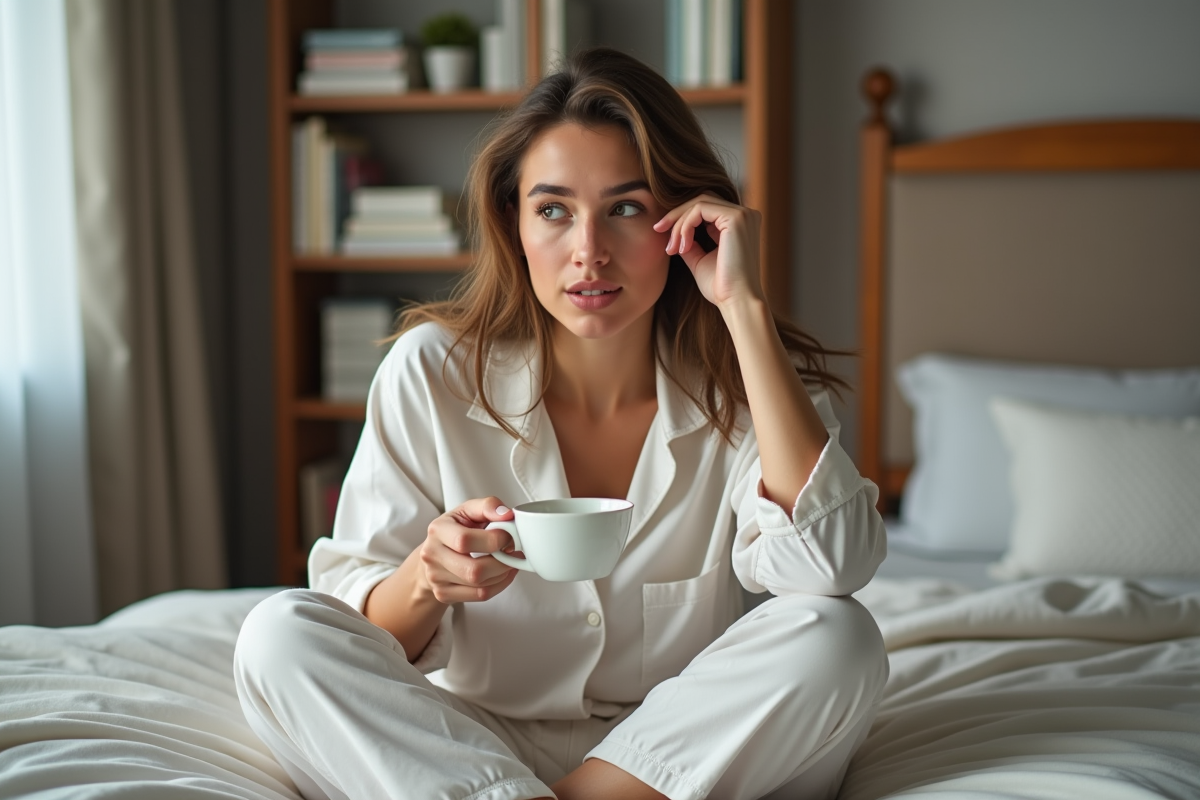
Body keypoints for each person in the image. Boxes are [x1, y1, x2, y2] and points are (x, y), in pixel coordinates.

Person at [235, 47, 888, 800]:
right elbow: (365, 623)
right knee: (280, 632)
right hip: (470, 744)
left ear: (686, 222)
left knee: (840, 637)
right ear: (513, 223)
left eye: (626, 208)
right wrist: (427, 577)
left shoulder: (757, 388)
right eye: (553, 210)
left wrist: (743, 309)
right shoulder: (430, 371)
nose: (589, 253)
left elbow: (833, 566)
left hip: (674, 749)